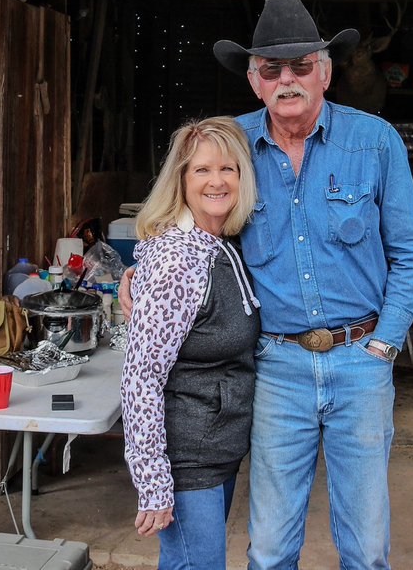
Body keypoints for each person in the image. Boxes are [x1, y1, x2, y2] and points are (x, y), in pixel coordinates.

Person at [220, 0, 413, 569]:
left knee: (365, 547)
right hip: (275, 365)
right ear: (254, 80)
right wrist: (147, 264)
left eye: (301, 66)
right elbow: (186, 229)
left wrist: (384, 343)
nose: (286, 79)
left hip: (360, 359)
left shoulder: (375, 141)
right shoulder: (226, 146)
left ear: (326, 72)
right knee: (268, 547)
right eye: (272, 69)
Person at [121, 116, 262, 570]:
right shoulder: (177, 256)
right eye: (201, 170)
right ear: (180, 180)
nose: (217, 181)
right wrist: (154, 483)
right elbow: (140, 377)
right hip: (186, 457)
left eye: (229, 169)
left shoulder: (219, 244)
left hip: (215, 447)